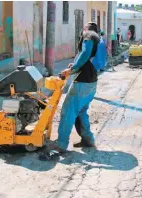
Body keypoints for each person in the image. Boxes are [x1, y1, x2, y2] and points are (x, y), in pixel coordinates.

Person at [48, 22, 101, 154]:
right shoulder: (97, 38)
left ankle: (61, 144)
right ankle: (88, 139)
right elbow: (87, 58)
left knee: (68, 111)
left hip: (82, 83)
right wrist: (76, 64)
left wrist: (72, 69)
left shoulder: (88, 35)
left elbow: (85, 53)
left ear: (86, 29)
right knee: (81, 112)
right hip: (91, 82)